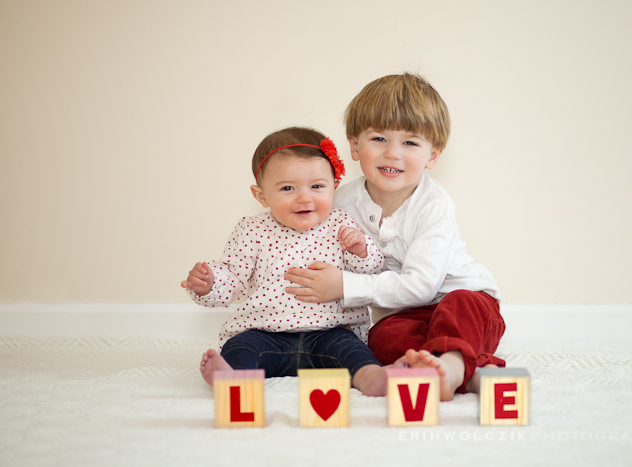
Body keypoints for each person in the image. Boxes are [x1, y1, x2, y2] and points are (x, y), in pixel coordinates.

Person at [284, 74, 506, 401]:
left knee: (461, 307)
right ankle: (465, 373)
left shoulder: (434, 205)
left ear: (433, 156)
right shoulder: (341, 202)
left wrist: (344, 285)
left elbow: (422, 286)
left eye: (410, 143)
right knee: (382, 339)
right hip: (405, 314)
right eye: (379, 139)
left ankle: (453, 368)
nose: (392, 153)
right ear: (355, 146)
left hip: (463, 299)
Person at [181, 127, 387, 396]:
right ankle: (233, 379)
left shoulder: (341, 224)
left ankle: (371, 376)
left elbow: (370, 272)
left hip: (329, 331)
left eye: (317, 186)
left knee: (352, 351)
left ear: (333, 186)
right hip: (264, 332)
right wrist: (209, 283)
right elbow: (234, 280)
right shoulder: (251, 229)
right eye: (288, 188)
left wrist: (361, 250)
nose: (304, 197)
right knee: (240, 347)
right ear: (261, 195)